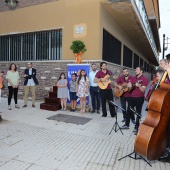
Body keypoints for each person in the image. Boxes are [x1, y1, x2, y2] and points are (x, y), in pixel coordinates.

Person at [121, 66, 148, 135]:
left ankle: (136, 127)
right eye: (135, 70)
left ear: (141, 71)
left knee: (138, 113)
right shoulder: (133, 78)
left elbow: (143, 90)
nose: (135, 71)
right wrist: (129, 86)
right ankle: (127, 125)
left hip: (139, 98)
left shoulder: (144, 79)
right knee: (128, 111)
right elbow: (130, 89)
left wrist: (139, 86)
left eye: (137, 70)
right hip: (131, 97)